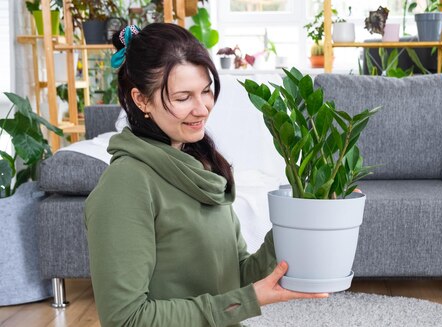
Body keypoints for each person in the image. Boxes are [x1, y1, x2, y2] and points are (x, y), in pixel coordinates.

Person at [84, 23, 328, 327]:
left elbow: (235, 276)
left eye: (206, 91)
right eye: (183, 97)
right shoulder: (126, 186)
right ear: (141, 100)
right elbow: (126, 319)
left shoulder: (203, 165)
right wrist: (246, 300)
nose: (202, 109)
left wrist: (304, 216)